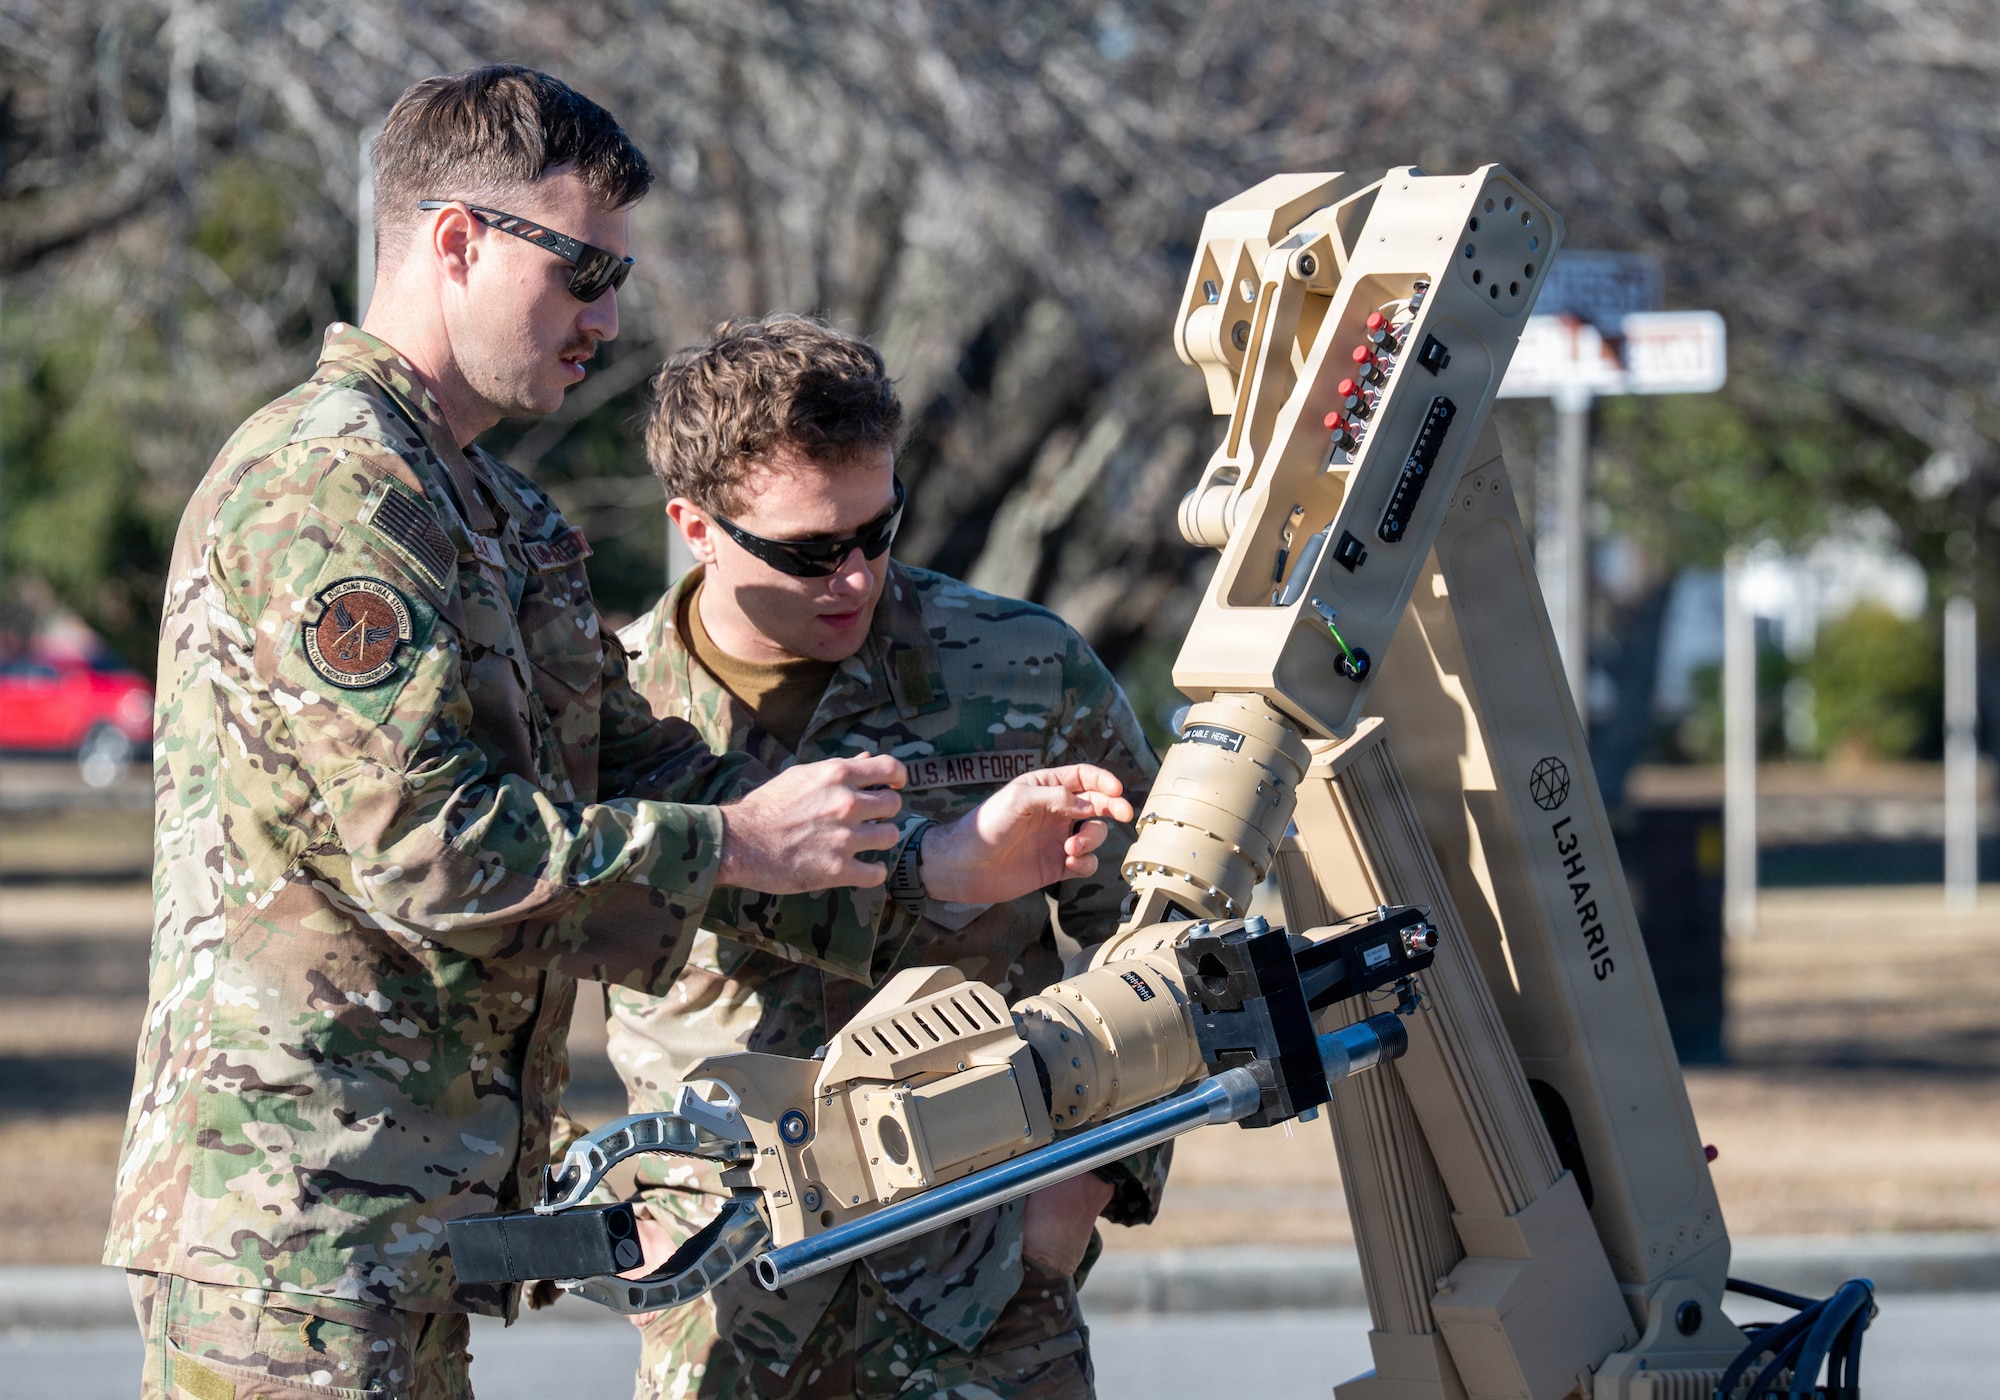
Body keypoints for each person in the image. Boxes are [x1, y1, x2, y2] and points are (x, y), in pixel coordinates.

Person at [106, 69, 1131, 1400]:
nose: (601, 319)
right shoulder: (331, 486)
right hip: (288, 1220)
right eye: (580, 269)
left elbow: (638, 767)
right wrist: (743, 841)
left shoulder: (498, 516)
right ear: (457, 241)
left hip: (410, 1225)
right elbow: (432, 849)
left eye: (616, 280)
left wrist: (927, 863)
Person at [601, 315, 1165, 1400]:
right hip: (725, 1293)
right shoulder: (611, 710)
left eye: (877, 529)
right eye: (809, 550)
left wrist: (1087, 1182)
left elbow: (1156, 923)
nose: (854, 577)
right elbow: (525, 948)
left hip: (987, 1282)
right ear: (695, 526)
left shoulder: (1020, 664)